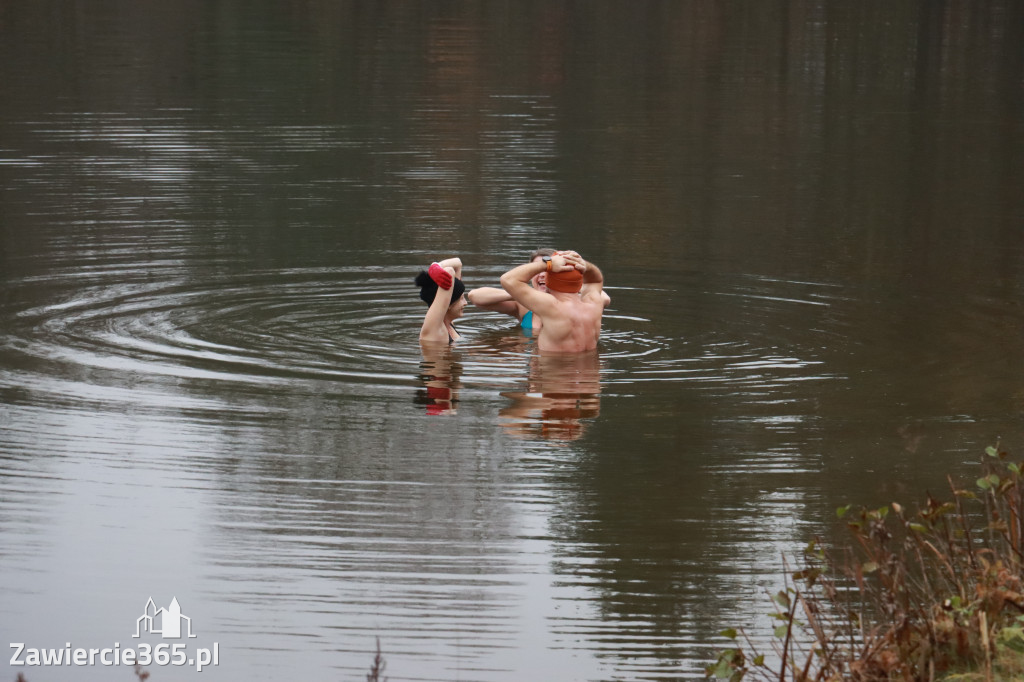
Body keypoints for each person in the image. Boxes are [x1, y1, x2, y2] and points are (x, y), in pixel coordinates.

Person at [468, 249, 610, 332]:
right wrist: (520, 295)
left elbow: (605, 298)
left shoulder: (576, 303)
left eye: (549, 269)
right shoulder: (523, 306)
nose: (542, 274)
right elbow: (475, 297)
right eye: (539, 269)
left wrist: (570, 295)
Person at [499, 250, 605, 353]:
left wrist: (547, 263)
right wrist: (584, 265)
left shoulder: (550, 305)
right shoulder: (594, 303)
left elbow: (508, 279)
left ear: (549, 281)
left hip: (554, 370)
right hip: (591, 370)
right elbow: (596, 280)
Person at [414, 257, 467, 345]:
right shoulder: (435, 328)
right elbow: (449, 271)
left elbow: (458, 263)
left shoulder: (448, 323)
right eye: (461, 299)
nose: (466, 303)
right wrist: (434, 269)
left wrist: (437, 266)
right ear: (448, 303)